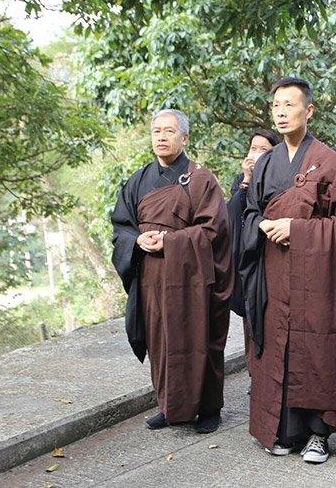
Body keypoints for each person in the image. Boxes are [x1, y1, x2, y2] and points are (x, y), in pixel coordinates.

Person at [239, 77, 336, 464]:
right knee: (278, 346)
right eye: (275, 105)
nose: (280, 112)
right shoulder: (265, 162)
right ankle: (282, 431)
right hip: (274, 273)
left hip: (318, 277)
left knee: (317, 348)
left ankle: (318, 434)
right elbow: (249, 211)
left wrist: (297, 229)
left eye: (289, 105)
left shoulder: (329, 161)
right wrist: (260, 224)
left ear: (308, 111)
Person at [111, 109, 233, 434]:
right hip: (152, 278)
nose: (161, 137)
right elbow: (121, 226)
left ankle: (209, 408)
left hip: (191, 279)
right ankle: (169, 405)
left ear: (185, 138)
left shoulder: (200, 179)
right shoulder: (138, 180)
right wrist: (138, 239)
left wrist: (171, 242)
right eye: (156, 131)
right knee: (161, 341)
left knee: (199, 339)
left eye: (169, 131)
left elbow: (214, 231)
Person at [227, 130, 281, 360]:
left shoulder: (280, 179)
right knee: (249, 314)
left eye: (263, 150)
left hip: (272, 254)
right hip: (247, 256)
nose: (256, 154)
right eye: (253, 148)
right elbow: (232, 215)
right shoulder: (240, 181)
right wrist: (247, 179)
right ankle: (254, 371)